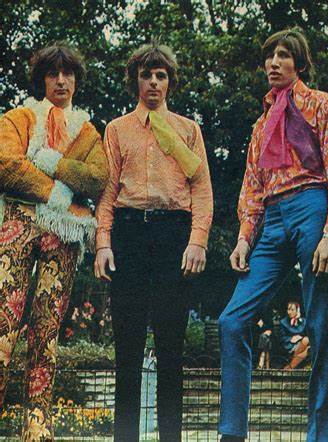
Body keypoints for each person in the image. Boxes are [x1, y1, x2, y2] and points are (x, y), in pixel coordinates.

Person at [218, 28, 328, 441]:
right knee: (232, 320)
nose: (274, 62)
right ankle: (231, 432)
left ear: (300, 63)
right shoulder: (261, 126)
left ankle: (325, 435)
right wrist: (244, 238)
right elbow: (252, 188)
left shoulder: (322, 105)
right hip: (272, 220)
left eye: (284, 55)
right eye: (270, 56)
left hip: (312, 205)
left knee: (321, 321)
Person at [94, 42, 213, 442]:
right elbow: (108, 191)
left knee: (171, 350)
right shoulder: (116, 130)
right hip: (129, 233)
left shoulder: (188, 130)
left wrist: (197, 241)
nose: (154, 82)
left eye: (161, 75)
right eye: (146, 75)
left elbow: (202, 190)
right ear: (136, 81)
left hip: (173, 236)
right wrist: (103, 242)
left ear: (170, 82)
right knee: (127, 350)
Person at [0, 42, 108, 440]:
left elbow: (97, 178)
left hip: (63, 235)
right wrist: (59, 194)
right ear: (41, 79)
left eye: (68, 73)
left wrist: (51, 162)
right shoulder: (20, 117)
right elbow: (6, 165)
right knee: (3, 323)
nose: (61, 81)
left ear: (77, 80)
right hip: (18, 224)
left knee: (46, 329)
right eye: (52, 74)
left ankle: (37, 425)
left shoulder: (89, 132)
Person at [279, 302, 309, 370]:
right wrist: (291, 338)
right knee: (307, 347)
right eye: (288, 309)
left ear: (297, 310)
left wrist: (298, 320)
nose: (289, 312)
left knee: (307, 343)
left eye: (292, 310)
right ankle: (290, 367)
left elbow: (307, 334)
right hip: (289, 345)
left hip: (302, 343)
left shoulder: (303, 321)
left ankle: (289, 367)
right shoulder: (283, 322)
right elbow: (281, 338)